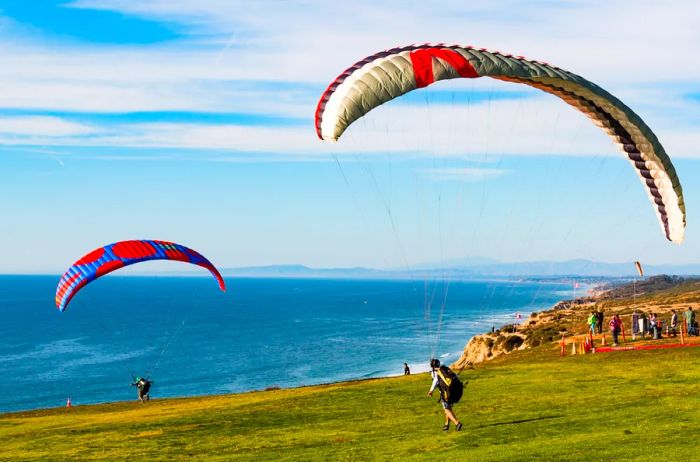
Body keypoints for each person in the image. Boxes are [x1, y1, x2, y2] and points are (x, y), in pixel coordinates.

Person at [427, 359, 462, 431]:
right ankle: (447, 424)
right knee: (448, 408)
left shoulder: (437, 372)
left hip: (445, 394)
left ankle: (457, 423)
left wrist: (431, 391)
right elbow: (456, 376)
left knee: (446, 409)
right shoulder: (445, 369)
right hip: (451, 391)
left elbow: (435, 382)